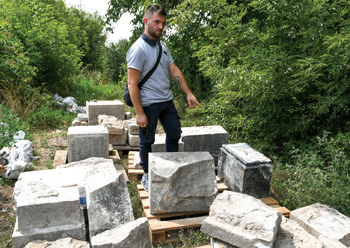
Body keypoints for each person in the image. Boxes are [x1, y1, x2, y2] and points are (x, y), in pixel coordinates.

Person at [127, 4, 201, 191]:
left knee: (175, 134)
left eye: (163, 23)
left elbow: (173, 69)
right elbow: (132, 84)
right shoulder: (138, 49)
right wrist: (139, 113)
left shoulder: (163, 46)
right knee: (147, 140)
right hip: (149, 103)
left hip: (166, 101)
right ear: (146, 21)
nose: (160, 27)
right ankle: (147, 175)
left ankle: (170, 169)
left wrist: (188, 93)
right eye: (156, 22)